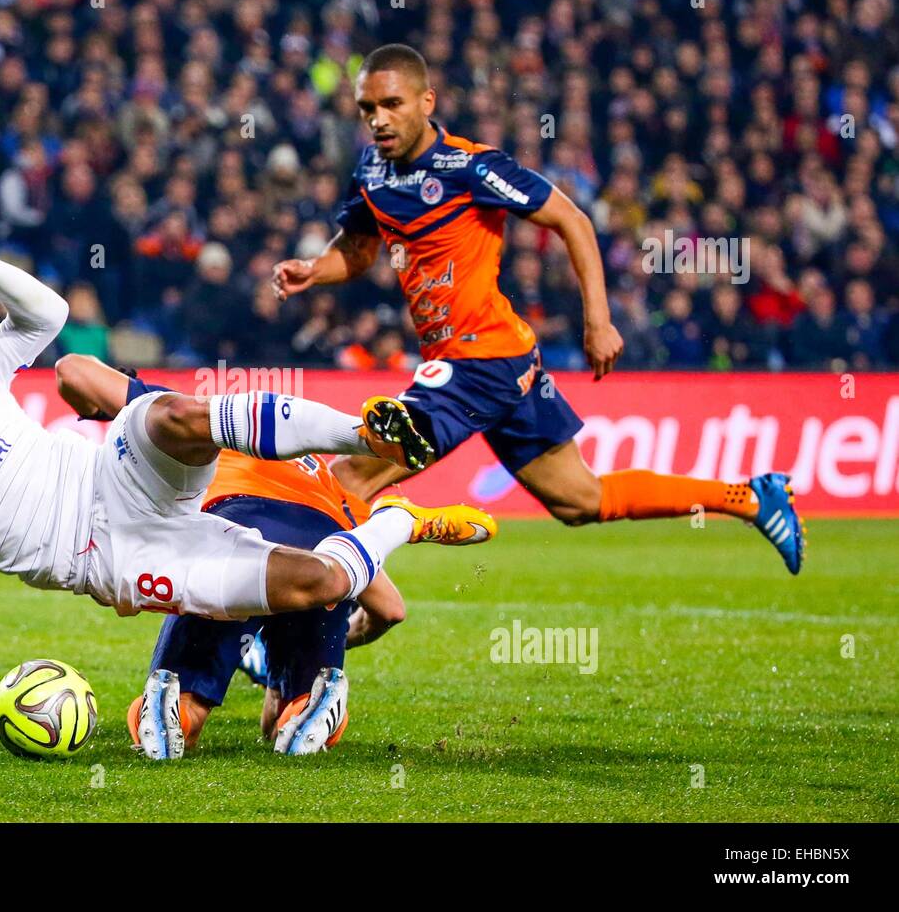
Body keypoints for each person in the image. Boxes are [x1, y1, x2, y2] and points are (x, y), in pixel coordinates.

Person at [0, 182, 496, 709]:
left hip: (116, 472)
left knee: (174, 414)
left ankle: (366, 429)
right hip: (110, 557)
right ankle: (399, 520)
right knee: (318, 583)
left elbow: (48, 320)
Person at [272, 45, 804, 574]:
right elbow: (359, 250)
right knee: (581, 500)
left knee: (350, 479)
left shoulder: (471, 167)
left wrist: (598, 320)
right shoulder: (371, 170)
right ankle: (752, 498)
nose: (378, 120)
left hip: (476, 363)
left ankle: (289, 625)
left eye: (392, 104)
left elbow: (572, 219)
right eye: (368, 109)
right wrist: (315, 269)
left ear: (426, 100)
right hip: (503, 362)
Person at [54, 355, 418, 758]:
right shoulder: (328, 483)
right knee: (294, 704)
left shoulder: (191, 423)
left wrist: (98, 403)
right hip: (324, 546)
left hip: (237, 533)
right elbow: (391, 609)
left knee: (185, 706)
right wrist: (340, 641)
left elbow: (72, 369)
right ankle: (310, 697)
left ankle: (169, 706)